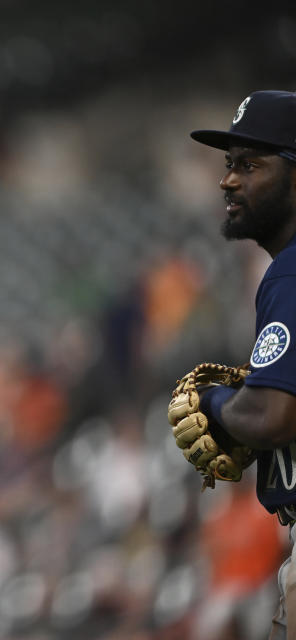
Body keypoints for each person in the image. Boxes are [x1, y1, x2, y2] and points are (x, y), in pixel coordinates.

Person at [188, 89, 296, 639]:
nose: (228, 180)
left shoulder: (290, 273)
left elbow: (277, 416)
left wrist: (217, 404)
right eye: (229, 165)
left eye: (251, 165)